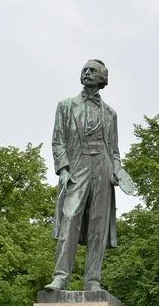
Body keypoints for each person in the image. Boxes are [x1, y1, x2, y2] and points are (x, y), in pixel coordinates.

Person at [45, 59, 135, 292]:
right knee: (70, 218)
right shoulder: (66, 106)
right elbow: (58, 141)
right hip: (77, 166)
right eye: (84, 70)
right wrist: (63, 169)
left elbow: (114, 151)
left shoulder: (110, 114)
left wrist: (118, 170)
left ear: (102, 77)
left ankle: (93, 281)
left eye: (92, 70)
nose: (86, 73)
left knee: (98, 225)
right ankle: (60, 277)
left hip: (103, 168)